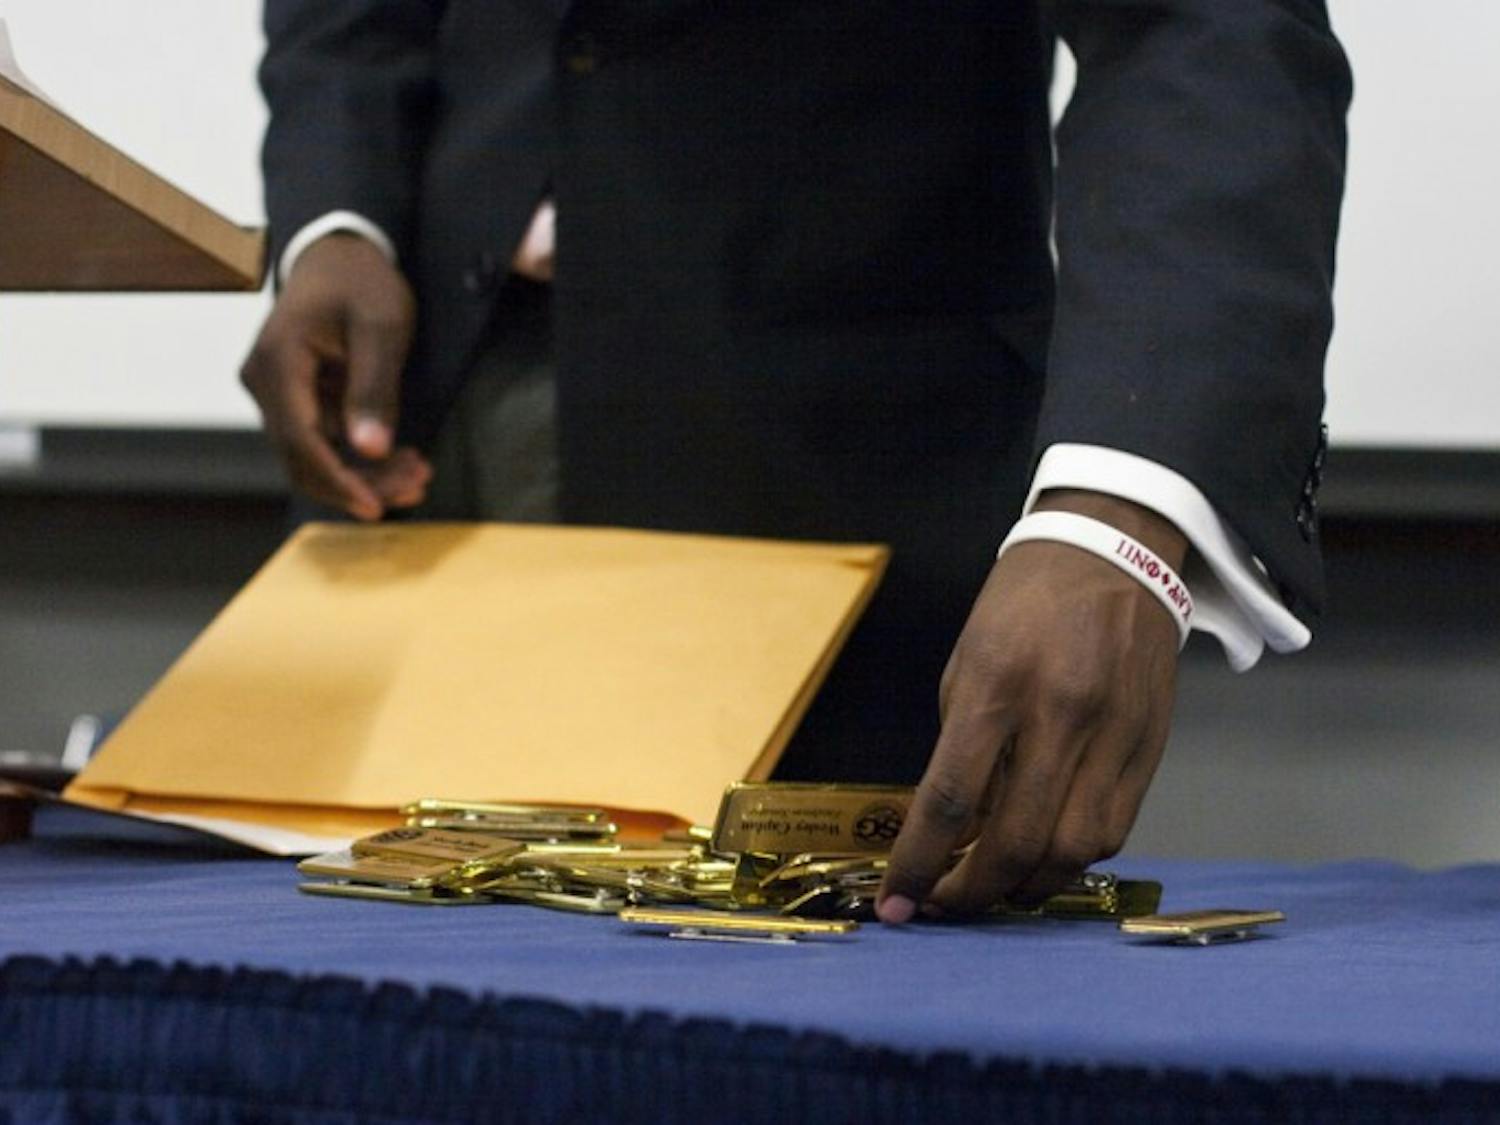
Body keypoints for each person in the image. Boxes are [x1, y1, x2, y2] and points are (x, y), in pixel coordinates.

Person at [242, 0, 1351, 922]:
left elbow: (1199, 27)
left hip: (851, 475)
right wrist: (338, 216)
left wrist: (1123, 509)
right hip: (425, 449)